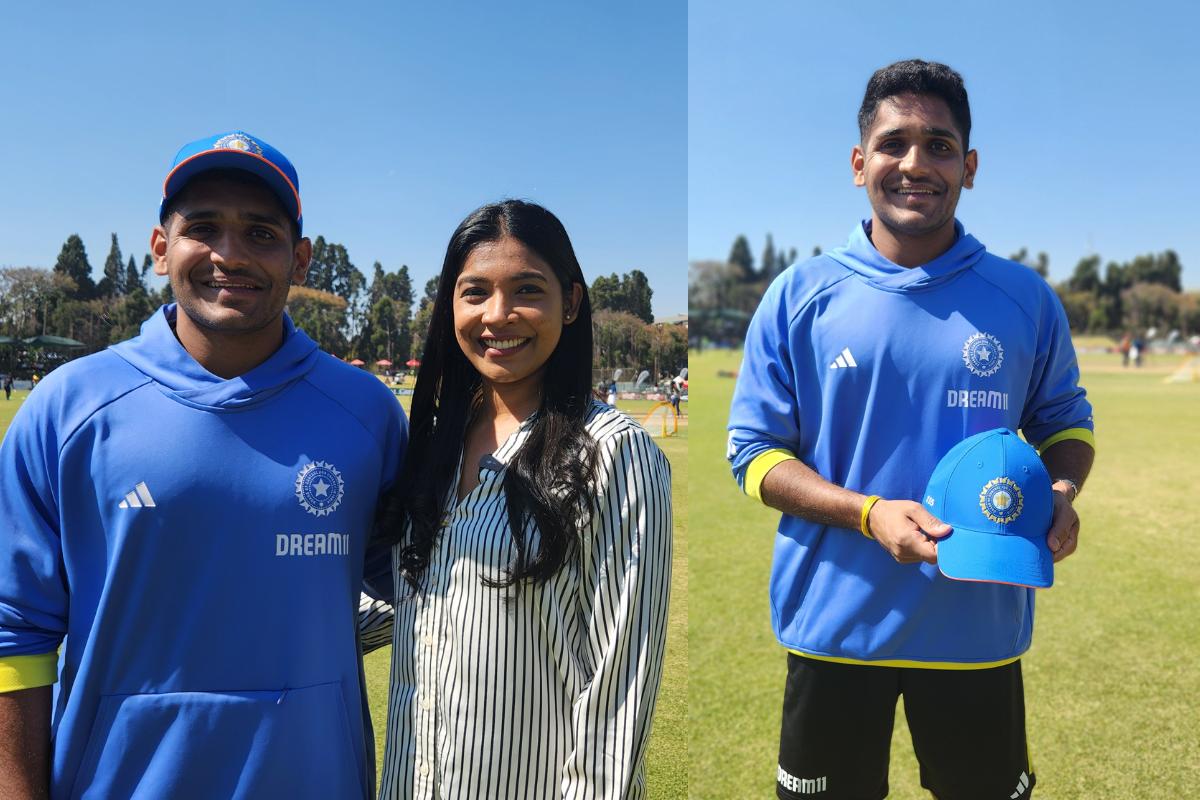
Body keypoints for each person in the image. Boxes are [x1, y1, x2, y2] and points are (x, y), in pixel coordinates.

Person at [727, 60, 1095, 800]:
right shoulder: (799, 296)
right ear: (860, 162)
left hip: (978, 625)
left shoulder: (1023, 299)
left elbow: (1065, 423)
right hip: (834, 625)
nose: (915, 164)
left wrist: (1061, 485)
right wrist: (866, 514)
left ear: (970, 165)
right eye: (894, 143)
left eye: (940, 144)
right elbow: (755, 457)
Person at [0, 131, 406, 798]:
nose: (230, 254)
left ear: (300, 259)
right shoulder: (67, 410)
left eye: (261, 233)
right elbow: (13, 633)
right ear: (161, 249)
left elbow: (423, 587)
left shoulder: (366, 412)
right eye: (204, 227)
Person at [364, 200, 672, 798]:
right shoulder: (430, 447)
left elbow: (620, 685)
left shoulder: (613, 453)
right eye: (474, 292)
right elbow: (418, 606)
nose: (498, 315)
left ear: (572, 301)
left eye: (527, 290)